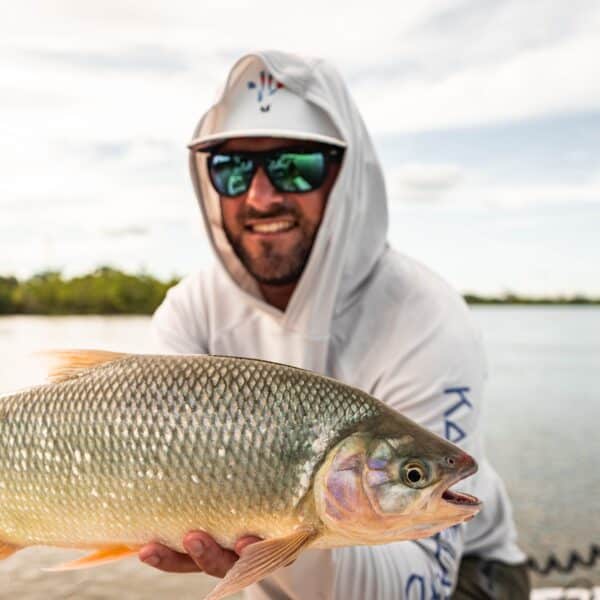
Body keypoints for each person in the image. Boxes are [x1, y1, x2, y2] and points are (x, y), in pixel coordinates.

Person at [138, 51, 530, 599]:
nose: (260, 196)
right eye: (230, 168)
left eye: (294, 166)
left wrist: (278, 545)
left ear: (346, 177)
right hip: (279, 568)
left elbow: (424, 584)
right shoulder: (192, 308)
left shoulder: (426, 317)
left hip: (462, 570)